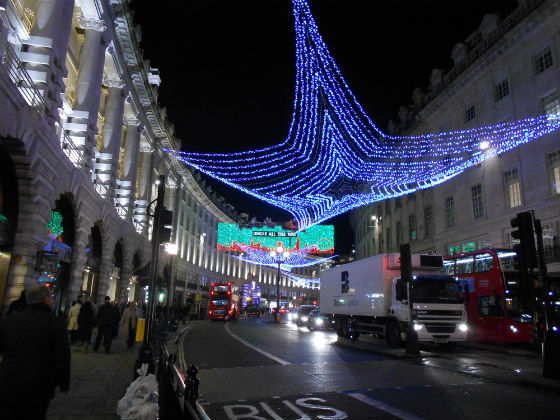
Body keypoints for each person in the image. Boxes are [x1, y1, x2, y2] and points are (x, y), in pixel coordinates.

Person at [0, 285, 70, 419]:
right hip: (40, 382)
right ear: (47, 300)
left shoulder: (9, 321)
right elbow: (63, 357)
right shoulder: (55, 323)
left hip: (9, 379)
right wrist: (63, 382)